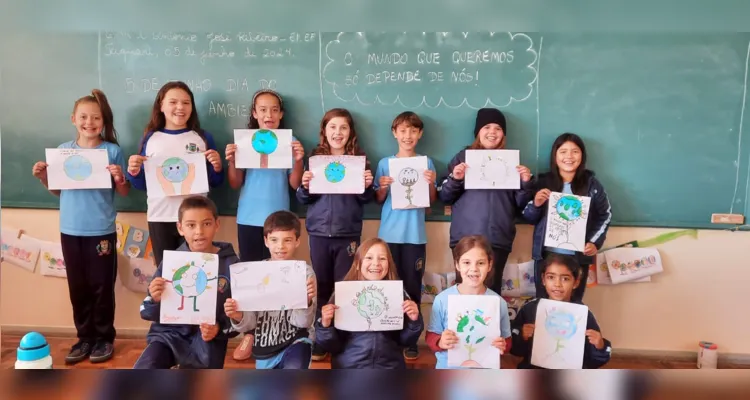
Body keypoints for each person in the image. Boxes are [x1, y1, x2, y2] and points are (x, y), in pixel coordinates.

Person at [31, 89, 129, 364]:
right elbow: (58, 191)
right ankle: (84, 338)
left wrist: (119, 178)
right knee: (78, 287)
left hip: (101, 231)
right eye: (84, 117)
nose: (89, 122)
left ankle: (103, 339)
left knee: (101, 287)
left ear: (104, 122)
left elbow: (123, 192)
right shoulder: (64, 152)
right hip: (70, 230)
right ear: (73, 119)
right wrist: (44, 176)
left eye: (95, 118)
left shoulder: (112, 151)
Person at [225, 89, 305, 361]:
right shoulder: (245, 142)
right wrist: (233, 161)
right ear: (254, 113)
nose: (268, 115)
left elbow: (295, 184)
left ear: (281, 114)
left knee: (279, 279)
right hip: (248, 217)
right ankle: (250, 332)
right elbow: (235, 183)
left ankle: (277, 332)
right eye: (262, 109)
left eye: (274, 110)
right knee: (251, 278)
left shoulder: (290, 142)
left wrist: (298, 160)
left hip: (280, 222)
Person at [296, 108, 375, 360]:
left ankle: (342, 335)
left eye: (343, 127)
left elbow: (366, 199)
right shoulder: (315, 159)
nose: (337, 132)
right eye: (332, 127)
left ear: (350, 131)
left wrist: (366, 185)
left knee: (345, 288)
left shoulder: (359, 160)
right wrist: (305, 185)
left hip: (347, 234)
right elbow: (303, 198)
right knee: (321, 287)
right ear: (324, 131)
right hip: (318, 233)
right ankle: (322, 335)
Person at [126, 81, 224, 267]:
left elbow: (216, 181)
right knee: (166, 275)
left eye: (186, 103)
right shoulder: (150, 138)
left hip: (196, 219)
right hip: (160, 216)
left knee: (197, 271)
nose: (180, 107)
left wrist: (217, 167)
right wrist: (134, 171)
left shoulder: (202, 138)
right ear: (161, 106)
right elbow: (142, 185)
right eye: (173, 102)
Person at [134, 196, 238, 369]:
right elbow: (145, 311)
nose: (199, 231)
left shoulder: (231, 264)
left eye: (206, 224)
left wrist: (218, 328)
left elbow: (238, 318)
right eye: (191, 225)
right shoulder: (171, 264)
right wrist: (154, 298)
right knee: (143, 371)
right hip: (168, 335)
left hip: (207, 338)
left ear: (217, 225)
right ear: (180, 228)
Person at [438, 108, 533, 294]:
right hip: (464, 238)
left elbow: (521, 204)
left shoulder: (512, 162)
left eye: (498, 128)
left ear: (503, 134)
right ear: (478, 132)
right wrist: (455, 178)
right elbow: (444, 196)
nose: (492, 132)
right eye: (486, 127)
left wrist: (525, 183)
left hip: (497, 238)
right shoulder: (462, 158)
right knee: (464, 293)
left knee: (492, 293)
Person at [373, 111, 437, 360]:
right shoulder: (384, 163)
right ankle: (387, 335)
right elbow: (379, 199)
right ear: (394, 132)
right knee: (387, 286)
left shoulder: (426, 162)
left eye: (413, 130)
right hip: (388, 236)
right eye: (402, 130)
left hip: (415, 236)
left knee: (412, 287)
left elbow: (431, 201)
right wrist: (384, 187)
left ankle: (410, 339)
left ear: (419, 134)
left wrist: (431, 183)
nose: (407, 135)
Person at [522, 133, 612, 301]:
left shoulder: (592, 185)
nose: (569, 156)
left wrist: (594, 242)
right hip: (547, 255)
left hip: (577, 257)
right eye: (563, 151)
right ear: (555, 156)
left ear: (582, 156)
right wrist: (536, 204)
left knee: (574, 304)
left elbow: (605, 214)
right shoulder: (543, 182)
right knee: (544, 304)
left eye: (575, 151)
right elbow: (528, 216)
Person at [223, 211, 318, 369]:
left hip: (297, 340)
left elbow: (302, 322)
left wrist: (306, 301)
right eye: (274, 240)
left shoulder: (305, 273)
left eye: (287, 240)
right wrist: (237, 315)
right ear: (266, 241)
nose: (280, 246)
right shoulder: (255, 273)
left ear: (297, 241)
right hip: (265, 345)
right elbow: (250, 323)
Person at [314, 238, 424, 368]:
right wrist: (325, 325)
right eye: (369, 258)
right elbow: (331, 346)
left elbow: (406, 341)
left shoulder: (399, 294)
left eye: (382, 259)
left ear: (389, 264)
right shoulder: (342, 294)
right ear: (357, 264)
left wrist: (414, 321)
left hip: (389, 367)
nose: (376, 263)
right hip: (349, 367)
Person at [510, 253, 612, 369]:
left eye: (565, 279)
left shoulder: (583, 315)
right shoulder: (529, 309)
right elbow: (515, 350)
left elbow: (594, 362)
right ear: (543, 280)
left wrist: (599, 346)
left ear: (576, 283)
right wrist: (522, 336)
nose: (557, 284)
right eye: (551, 277)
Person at [425, 235, 512, 369]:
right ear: (457, 265)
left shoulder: (498, 302)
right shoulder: (442, 299)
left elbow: (507, 340)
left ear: (490, 265)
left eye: (481, 263)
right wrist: (440, 342)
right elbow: (431, 336)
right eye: (466, 262)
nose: (474, 269)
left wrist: (503, 346)